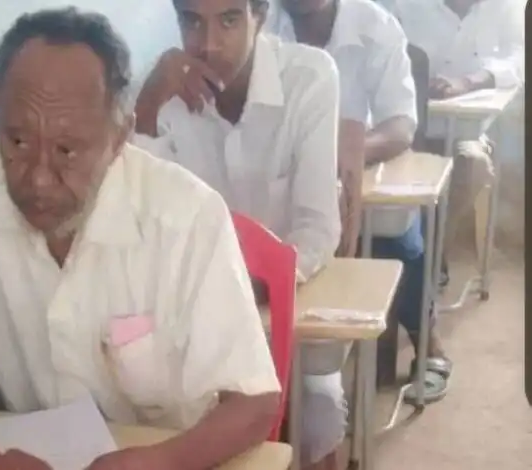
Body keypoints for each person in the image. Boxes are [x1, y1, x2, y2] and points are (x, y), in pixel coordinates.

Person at [0, 8, 283, 470]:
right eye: (17, 142)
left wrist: (157, 463)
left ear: (120, 137)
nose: (39, 179)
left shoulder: (187, 218)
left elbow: (255, 402)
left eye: (67, 150)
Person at [133, 1, 343, 468]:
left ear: (260, 15)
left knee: (318, 413)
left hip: (292, 300)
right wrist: (145, 110)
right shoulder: (160, 88)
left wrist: (255, 288)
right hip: (192, 317)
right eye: (192, 21)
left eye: (228, 20)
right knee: (170, 419)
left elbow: (317, 226)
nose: (208, 44)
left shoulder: (309, 78)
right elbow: (142, 218)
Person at [267, 0, 454, 465]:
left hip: (361, 166)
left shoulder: (375, 27)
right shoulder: (259, 23)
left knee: (397, 234)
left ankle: (426, 338)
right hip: (287, 180)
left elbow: (401, 126)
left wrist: (344, 152)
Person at [390, 0, 525, 284]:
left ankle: (428, 256)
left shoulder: (505, 7)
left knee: (473, 164)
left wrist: (470, 81)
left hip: (468, 132)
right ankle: (413, 263)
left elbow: (520, 57)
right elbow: (383, 54)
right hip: (407, 130)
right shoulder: (402, 6)